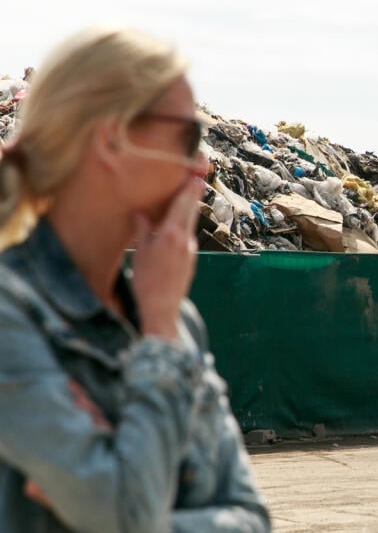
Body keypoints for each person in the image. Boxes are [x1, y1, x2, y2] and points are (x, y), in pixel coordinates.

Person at [0, 27, 270, 532]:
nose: (203, 164)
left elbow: (252, 519)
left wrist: (118, 498)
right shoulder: (12, 315)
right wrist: (161, 345)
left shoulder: (174, 317)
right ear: (112, 137)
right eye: (187, 137)